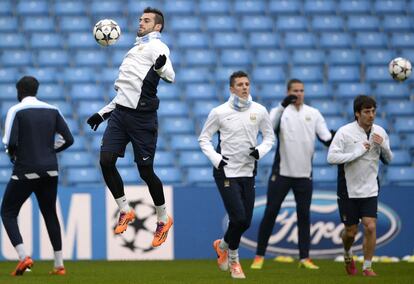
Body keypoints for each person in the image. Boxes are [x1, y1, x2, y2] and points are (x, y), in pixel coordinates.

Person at [86, 7, 174, 247]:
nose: (141, 22)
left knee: (146, 171)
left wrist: (160, 67)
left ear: (157, 26)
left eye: (146, 20)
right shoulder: (134, 50)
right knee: (106, 160)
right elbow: (125, 93)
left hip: (142, 118)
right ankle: (125, 210)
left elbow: (170, 75)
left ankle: (163, 219)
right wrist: (102, 114)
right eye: (140, 19)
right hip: (120, 115)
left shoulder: (158, 47)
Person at [199, 71, 275, 279]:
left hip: (248, 171)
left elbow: (269, 138)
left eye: (247, 84)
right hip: (225, 171)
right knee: (238, 218)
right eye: (240, 84)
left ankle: (222, 245)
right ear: (231, 89)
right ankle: (234, 261)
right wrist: (216, 159)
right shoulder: (219, 112)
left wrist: (260, 151)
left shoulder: (259, 111)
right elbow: (204, 139)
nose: (244, 87)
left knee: (246, 221)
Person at [251, 79, 334, 270]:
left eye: (302, 90)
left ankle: (304, 258)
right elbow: (268, 128)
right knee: (270, 212)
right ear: (288, 92)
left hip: (304, 175)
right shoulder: (280, 112)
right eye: (295, 90)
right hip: (282, 173)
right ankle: (259, 256)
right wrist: (282, 105)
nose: (299, 93)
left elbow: (327, 138)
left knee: (304, 216)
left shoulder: (313, 114)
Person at [1, 76, 74, 276]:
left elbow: (10, 142)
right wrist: (49, 151)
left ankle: (24, 257)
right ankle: (59, 265)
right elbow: (69, 138)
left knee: (7, 212)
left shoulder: (16, 110)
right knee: (50, 212)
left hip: (26, 168)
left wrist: (13, 156)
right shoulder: (53, 109)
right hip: (50, 169)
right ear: (36, 90)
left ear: (19, 91)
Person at [327, 95, 392, 277]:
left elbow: (389, 159)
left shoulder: (380, 132)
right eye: (366, 112)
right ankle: (348, 253)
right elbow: (331, 158)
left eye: (373, 111)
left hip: (370, 187)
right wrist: (356, 152)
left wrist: (384, 147)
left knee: (370, 226)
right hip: (348, 188)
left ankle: (367, 267)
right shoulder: (345, 132)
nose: (371, 115)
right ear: (357, 114)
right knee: (350, 232)